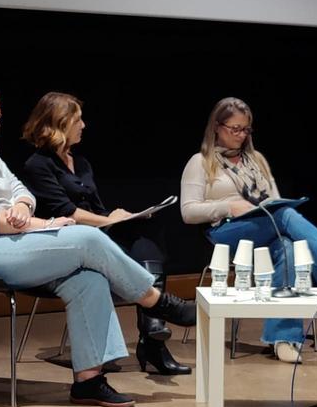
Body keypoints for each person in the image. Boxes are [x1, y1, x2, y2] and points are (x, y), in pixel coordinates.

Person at [0, 83, 196, 407]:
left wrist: (21, 206)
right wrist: (46, 224)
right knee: (88, 237)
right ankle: (157, 302)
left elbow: (22, 192)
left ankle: (89, 381)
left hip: (11, 240)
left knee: (89, 279)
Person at [180, 97, 317, 362]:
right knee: (285, 215)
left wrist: (269, 208)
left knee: (287, 245)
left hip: (263, 226)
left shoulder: (256, 160)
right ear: (216, 127)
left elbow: (275, 200)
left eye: (246, 129)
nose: (241, 135)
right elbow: (188, 212)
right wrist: (228, 206)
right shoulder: (200, 162)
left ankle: (284, 339)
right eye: (235, 129)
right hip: (224, 234)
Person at [20, 91, 192, 376]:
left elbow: (97, 208)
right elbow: (68, 212)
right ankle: (154, 337)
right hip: (65, 241)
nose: (83, 125)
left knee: (146, 231)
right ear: (60, 123)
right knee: (138, 245)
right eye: (77, 120)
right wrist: (109, 219)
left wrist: (123, 218)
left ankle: (153, 334)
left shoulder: (81, 163)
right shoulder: (37, 165)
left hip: (97, 234)